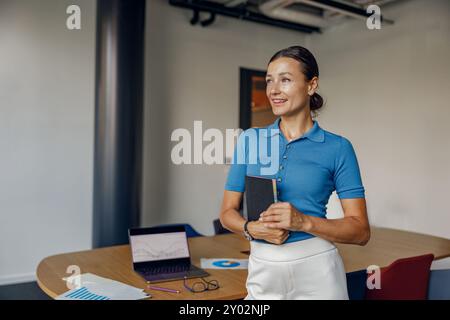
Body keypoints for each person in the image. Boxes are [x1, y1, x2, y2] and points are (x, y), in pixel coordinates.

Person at [219, 46, 370, 300]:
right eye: (269, 81)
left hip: (317, 270)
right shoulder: (250, 140)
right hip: (262, 267)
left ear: (311, 85)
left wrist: (304, 222)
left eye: (285, 80)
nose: (273, 90)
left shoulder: (338, 148)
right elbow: (226, 213)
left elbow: (361, 232)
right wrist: (251, 229)